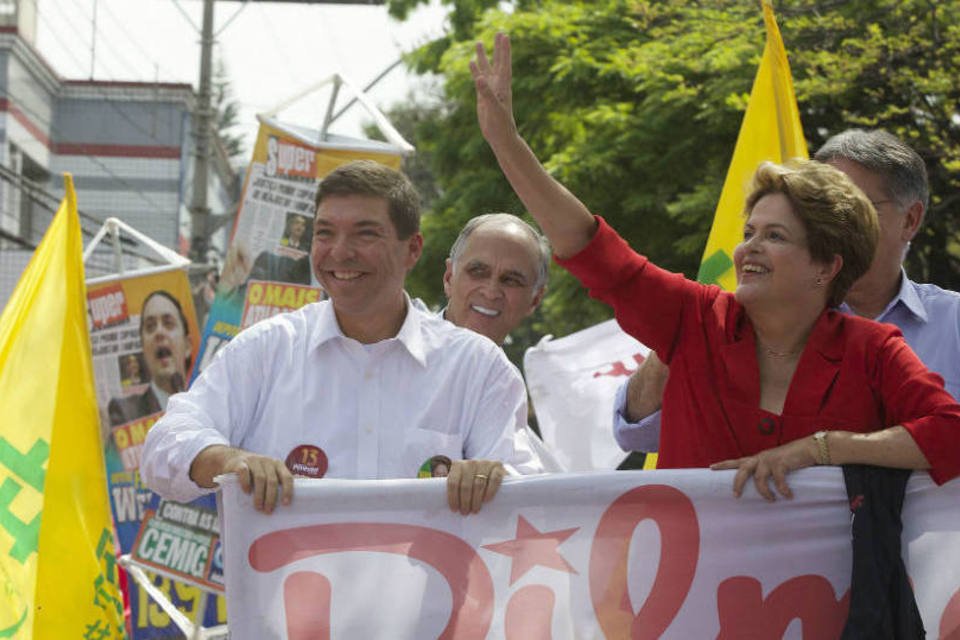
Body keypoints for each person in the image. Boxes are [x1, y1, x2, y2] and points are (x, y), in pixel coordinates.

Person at [470, 33, 960, 500]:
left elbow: (951, 432)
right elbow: (590, 246)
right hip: (678, 585)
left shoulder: (872, 350)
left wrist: (820, 450)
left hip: (829, 590)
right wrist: (505, 142)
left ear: (826, 267)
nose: (747, 250)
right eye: (749, 233)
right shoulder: (696, 317)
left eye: (775, 237)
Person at [141, 160, 541, 516]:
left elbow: (532, 497)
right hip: (283, 601)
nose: (340, 252)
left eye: (365, 235)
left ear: (412, 249)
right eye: (325, 233)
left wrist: (493, 479)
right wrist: (226, 460)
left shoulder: (477, 366)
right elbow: (164, 445)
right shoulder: (267, 350)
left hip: (433, 603)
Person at [614, 129, 960, 455]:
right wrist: (685, 332)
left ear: (910, 220)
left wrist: (824, 449)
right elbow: (635, 434)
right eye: (814, 211)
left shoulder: (953, 322)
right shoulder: (734, 321)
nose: (830, 224)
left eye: (855, 208)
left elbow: (949, 434)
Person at [442, 213, 564, 471]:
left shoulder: (506, 385)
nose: (490, 291)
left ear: (534, 300)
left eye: (511, 280)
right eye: (478, 272)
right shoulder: (387, 353)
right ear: (449, 278)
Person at [108, 290, 192, 426]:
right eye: (150, 326)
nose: (159, 332)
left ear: (187, 346)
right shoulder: (125, 412)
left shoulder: (206, 403)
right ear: (143, 348)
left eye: (168, 323)